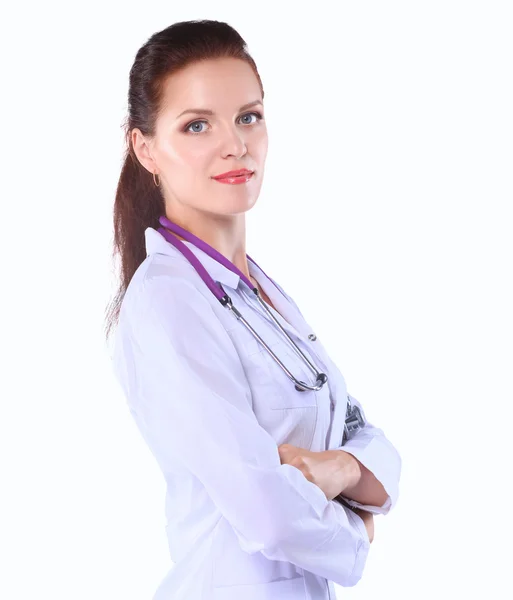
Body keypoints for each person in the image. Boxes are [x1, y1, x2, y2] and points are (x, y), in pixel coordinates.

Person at [105, 19, 402, 600]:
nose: (235, 144)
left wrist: (341, 468)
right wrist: (357, 531)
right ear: (146, 148)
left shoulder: (259, 292)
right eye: (197, 125)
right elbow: (264, 509)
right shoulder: (169, 300)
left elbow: (366, 434)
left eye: (249, 116)